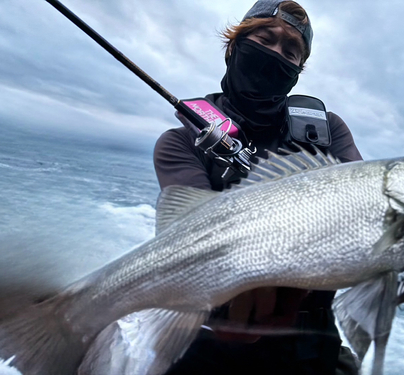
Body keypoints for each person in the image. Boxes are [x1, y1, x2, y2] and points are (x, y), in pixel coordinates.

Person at [154, 1, 362, 374]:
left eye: (291, 52)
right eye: (264, 40)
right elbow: (187, 238)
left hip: (308, 343)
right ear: (233, 47)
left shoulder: (328, 130)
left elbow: (357, 208)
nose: (276, 54)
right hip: (206, 338)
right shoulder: (180, 142)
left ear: (297, 71)